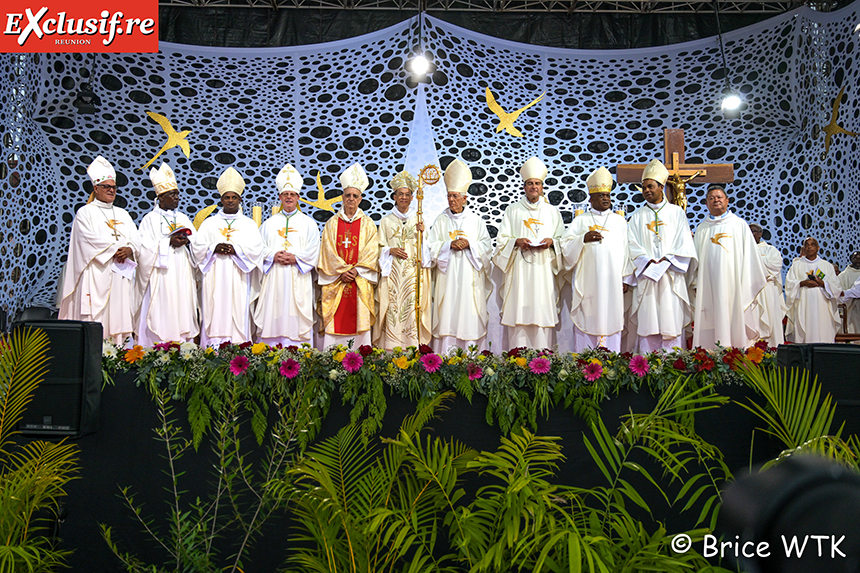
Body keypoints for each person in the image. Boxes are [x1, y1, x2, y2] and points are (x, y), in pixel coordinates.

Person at [59, 156, 140, 345]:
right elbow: (86, 239)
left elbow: (136, 238)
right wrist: (115, 249)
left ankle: (119, 353)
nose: (111, 190)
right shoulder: (85, 212)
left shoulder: (123, 214)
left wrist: (130, 249)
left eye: (114, 187)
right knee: (97, 316)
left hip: (120, 275)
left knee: (119, 314)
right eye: (106, 187)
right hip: (96, 273)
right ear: (95, 188)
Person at [626, 159, 698, 352]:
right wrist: (647, 261)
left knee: (671, 322)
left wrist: (667, 260)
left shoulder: (677, 213)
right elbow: (630, 244)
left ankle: (673, 363)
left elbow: (685, 242)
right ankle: (647, 363)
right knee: (648, 322)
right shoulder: (637, 216)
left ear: (661, 187)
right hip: (647, 276)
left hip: (670, 276)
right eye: (644, 188)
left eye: (650, 186)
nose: (646, 190)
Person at [493, 157, 564, 349]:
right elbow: (501, 240)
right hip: (520, 271)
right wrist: (516, 241)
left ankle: (544, 359)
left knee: (542, 312)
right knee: (519, 313)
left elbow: (563, 240)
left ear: (542, 187)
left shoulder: (552, 212)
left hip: (544, 270)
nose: (534, 187)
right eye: (530, 183)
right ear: (524, 187)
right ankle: (516, 359)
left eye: (537, 183)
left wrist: (552, 242)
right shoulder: (513, 210)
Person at [192, 167, 267, 346]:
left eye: (234, 197)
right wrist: (214, 247)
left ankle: (240, 347)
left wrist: (237, 250)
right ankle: (212, 348)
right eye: (227, 197)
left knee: (238, 310)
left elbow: (258, 250)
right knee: (214, 309)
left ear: (240, 199)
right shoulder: (209, 223)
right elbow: (197, 248)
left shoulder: (249, 224)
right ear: (221, 200)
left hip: (239, 277)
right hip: (214, 277)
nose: (231, 200)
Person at [560, 166, 632, 352]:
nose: (606, 199)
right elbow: (565, 246)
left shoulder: (619, 221)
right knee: (587, 317)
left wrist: (625, 278)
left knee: (611, 317)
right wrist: (582, 239)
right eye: (601, 196)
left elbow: (627, 250)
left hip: (612, 282)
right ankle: (585, 361)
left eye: (607, 195)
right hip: (588, 282)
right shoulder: (581, 220)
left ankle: (612, 359)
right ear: (591, 199)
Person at [689, 185, 768, 349]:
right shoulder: (702, 228)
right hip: (708, 286)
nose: (715, 200)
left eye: (719, 197)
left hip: (733, 285)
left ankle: (735, 355)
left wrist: (746, 282)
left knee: (733, 316)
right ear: (706, 203)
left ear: (727, 200)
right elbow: (696, 260)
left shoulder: (739, 225)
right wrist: (695, 282)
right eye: (711, 198)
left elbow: (750, 257)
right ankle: (709, 357)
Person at [427, 159, 493, 352]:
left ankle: (471, 358)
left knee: (468, 314)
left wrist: (470, 244)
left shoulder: (475, 220)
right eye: (449, 196)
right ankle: (444, 356)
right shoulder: (440, 220)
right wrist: (449, 245)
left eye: (455, 196)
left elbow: (487, 247)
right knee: (448, 314)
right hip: (447, 279)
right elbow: (430, 248)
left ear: (464, 198)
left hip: (469, 279)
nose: (451, 200)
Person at [253, 164, 320, 346]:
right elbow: (259, 248)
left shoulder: (309, 224)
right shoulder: (268, 224)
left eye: (292, 194)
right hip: (274, 277)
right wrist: (273, 255)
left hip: (298, 275)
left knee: (295, 316)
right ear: (280, 197)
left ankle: (299, 352)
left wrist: (296, 258)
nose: (289, 197)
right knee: (273, 311)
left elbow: (315, 249)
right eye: (285, 194)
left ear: (298, 197)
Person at [135, 162, 199, 346]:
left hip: (182, 269)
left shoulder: (183, 218)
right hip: (161, 274)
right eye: (172, 194)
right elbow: (143, 248)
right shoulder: (150, 219)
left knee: (181, 305)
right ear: (161, 197)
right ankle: (157, 345)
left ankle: (183, 346)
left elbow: (197, 244)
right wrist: (168, 242)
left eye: (177, 193)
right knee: (164, 306)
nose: (177, 197)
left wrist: (187, 242)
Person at [317, 163, 379, 348]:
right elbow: (327, 251)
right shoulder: (331, 223)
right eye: (348, 195)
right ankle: (330, 356)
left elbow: (372, 251)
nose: (351, 199)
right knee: (335, 322)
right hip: (337, 280)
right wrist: (342, 271)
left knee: (359, 323)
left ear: (360, 199)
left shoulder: (368, 224)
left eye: (355, 196)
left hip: (359, 280)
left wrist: (356, 271)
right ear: (342, 197)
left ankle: (361, 356)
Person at [374, 170, 432, 349]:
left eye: (407, 194)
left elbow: (428, 253)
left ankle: (412, 346)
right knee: (392, 307)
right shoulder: (386, 221)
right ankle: (390, 346)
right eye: (400, 194)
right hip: (392, 274)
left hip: (413, 275)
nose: (404, 197)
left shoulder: (419, 220)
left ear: (412, 198)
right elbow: (377, 249)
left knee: (411, 307)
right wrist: (390, 250)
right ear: (394, 197)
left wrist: (422, 234)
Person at [784, 237, 841, 343]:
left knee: (821, 331)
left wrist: (823, 284)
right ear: (804, 248)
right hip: (803, 304)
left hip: (822, 305)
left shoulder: (826, 265)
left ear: (818, 248)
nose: (809, 247)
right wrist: (802, 283)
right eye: (807, 245)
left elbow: (836, 287)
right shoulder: (796, 265)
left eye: (812, 244)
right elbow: (789, 284)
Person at [749, 223, 787, 346]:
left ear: (760, 234)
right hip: (750, 290)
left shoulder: (770, 250)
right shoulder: (742, 250)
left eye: (753, 231)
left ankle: (773, 349)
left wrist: (755, 262)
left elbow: (775, 265)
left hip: (767, 288)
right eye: (748, 231)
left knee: (770, 319)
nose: (750, 233)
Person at [837, 251, 860, 334]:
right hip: (849, 307)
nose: (858, 261)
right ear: (851, 259)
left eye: (859, 258)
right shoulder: (843, 276)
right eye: (856, 258)